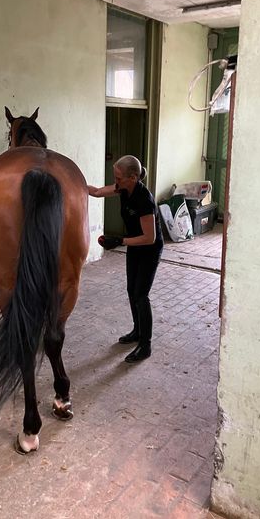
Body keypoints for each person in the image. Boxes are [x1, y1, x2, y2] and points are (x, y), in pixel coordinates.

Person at [88, 155, 163, 363]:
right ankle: (137, 331)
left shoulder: (144, 199)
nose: (116, 181)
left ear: (133, 177)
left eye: (119, 178)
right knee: (131, 290)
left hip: (150, 249)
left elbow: (149, 238)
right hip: (135, 246)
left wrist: (119, 241)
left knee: (141, 295)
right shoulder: (123, 188)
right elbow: (97, 192)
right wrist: (72, 182)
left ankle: (145, 345)